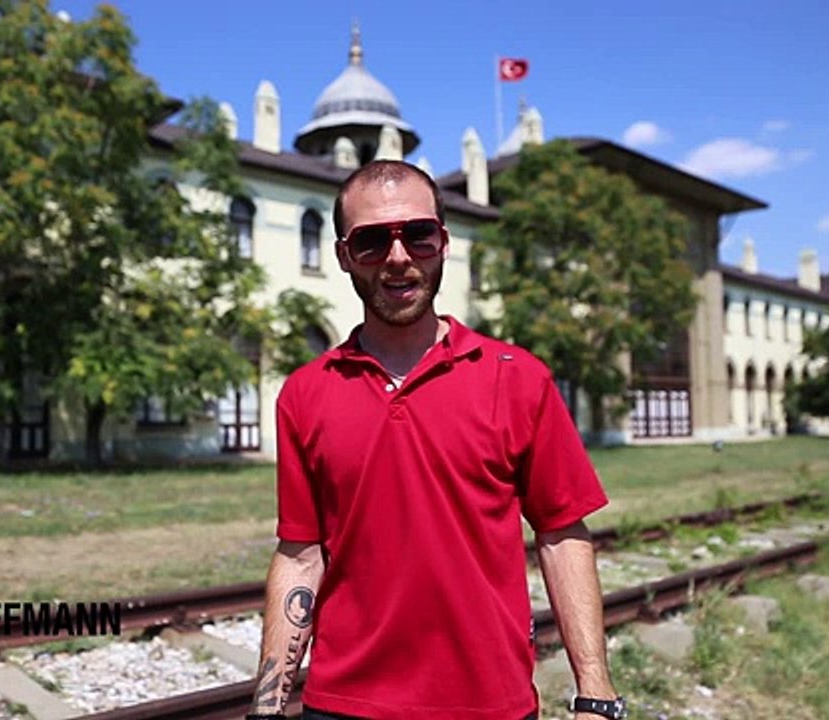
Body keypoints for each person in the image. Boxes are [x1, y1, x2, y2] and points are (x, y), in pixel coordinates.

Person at [247, 160, 622, 720]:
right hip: (343, 706)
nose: (398, 258)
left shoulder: (517, 378)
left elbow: (562, 533)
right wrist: (266, 706)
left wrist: (595, 693)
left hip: (489, 706)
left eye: (417, 236)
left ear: (443, 244)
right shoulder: (304, 394)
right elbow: (301, 557)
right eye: (372, 242)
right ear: (344, 255)